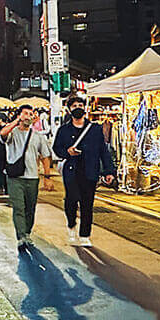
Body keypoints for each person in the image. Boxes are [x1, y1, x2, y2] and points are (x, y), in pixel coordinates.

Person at [54, 96, 116, 246]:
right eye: (74, 105)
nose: (78, 107)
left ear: (85, 108)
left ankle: (84, 235)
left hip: (90, 170)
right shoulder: (64, 130)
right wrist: (67, 152)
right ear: (69, 109)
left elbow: (103, 151)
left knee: (87, 203)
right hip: (71, 170)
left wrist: (109, 171)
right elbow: (57, 149)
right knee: (71, 200)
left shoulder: (95, 129)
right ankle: (71, 226)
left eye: (80, 105)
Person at [0, 104, 55, 250]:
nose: (28, 116)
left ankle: (27, 233)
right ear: (19, 115)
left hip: (32, 177)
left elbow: (45, 157)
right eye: (25, 113)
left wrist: (47, 177)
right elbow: (3, 134)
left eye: (30, 114)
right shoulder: (13, 133)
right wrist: (16, 121)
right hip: (15, 177)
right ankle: (21, 236)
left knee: (30, 208)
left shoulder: (37, 136)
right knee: (18, 207)